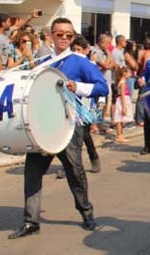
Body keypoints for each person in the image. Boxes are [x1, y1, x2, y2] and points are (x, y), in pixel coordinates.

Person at [9, 18, 108, 240]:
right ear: (51, 35)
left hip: (68, 125)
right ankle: (30, 221)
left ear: (73, 38)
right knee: (32, 171)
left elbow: (102, 86)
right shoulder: (44, 61)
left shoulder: (79, 61)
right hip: (42, 125)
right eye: (59, 34)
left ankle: (86, 212)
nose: (64, 38)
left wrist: (78, 87)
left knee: (75, 171)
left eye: (68, 35)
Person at [70, 35, 101, 174]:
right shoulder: (70, 65)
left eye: (79, 50)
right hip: (71, 104)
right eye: (74, 49)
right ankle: (71, 165)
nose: (77, 52)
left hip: (86, 105)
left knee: (84, 135)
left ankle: (94, 157)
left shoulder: (90, 66)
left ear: (86, 50)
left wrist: (100, 103)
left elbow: (98, 86)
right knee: (70, 135)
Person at [111, 65, 132, 144]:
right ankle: (119, 135)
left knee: (121, 119)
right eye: (129, 72)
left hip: (122, 100)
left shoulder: (122, 82)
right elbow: (122, 95)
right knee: (119, 119)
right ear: (124, 73)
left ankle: (121, 135)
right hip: (122, 101)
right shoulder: (122, 83)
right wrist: (124, 106)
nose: (130, 74)